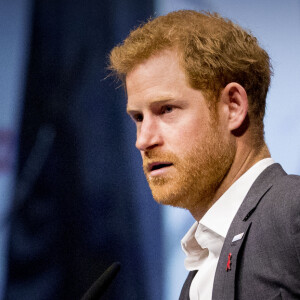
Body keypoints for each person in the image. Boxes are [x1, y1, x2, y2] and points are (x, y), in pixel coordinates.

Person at [109, 10, 300, 300]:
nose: (143, 140)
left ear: (233, 107)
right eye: (138, 117)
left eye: (166, 110)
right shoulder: (198, 277)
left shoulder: (292, 212)